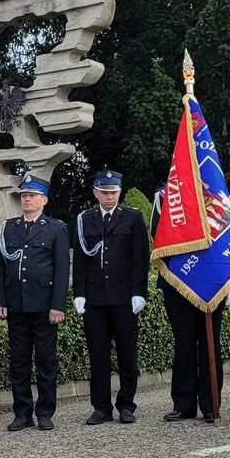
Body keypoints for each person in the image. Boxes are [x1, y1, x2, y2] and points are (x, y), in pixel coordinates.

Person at [72, 170, 149, 425]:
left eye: (113, 192)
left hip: (124, 296)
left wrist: (139, 292)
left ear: (120, 192)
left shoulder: (133, 218)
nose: (109, 196)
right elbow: (81, 259)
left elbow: (140, 258)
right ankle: (101, 407)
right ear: (95, 192)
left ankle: (127, 405)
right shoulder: (85, 219)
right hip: (94, 298)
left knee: (127, 354)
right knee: (98, 355)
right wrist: (79, 293)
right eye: (104, 192)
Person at [0, 175, 70, 431]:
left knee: (46, 360)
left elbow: (62, 270)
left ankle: (45, 411)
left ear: (44, 200)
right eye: (24, 195)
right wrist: (0, 300)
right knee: (19, 361)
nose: (27, 199)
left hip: (43, 304)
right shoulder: (9, 227)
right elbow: (0, 267)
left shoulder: (55, 228)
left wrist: (58, 305)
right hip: (17, 305)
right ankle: (22, 412)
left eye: (32, 195)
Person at [152, 189, 224, 423]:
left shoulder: (215, 191)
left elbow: (226, 232)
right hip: (177, 280)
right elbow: (158, 235)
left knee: (210, 342)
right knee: (184, 344)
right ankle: (184, 404)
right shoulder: (166, 196)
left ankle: (211, 403)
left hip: (211, 279)